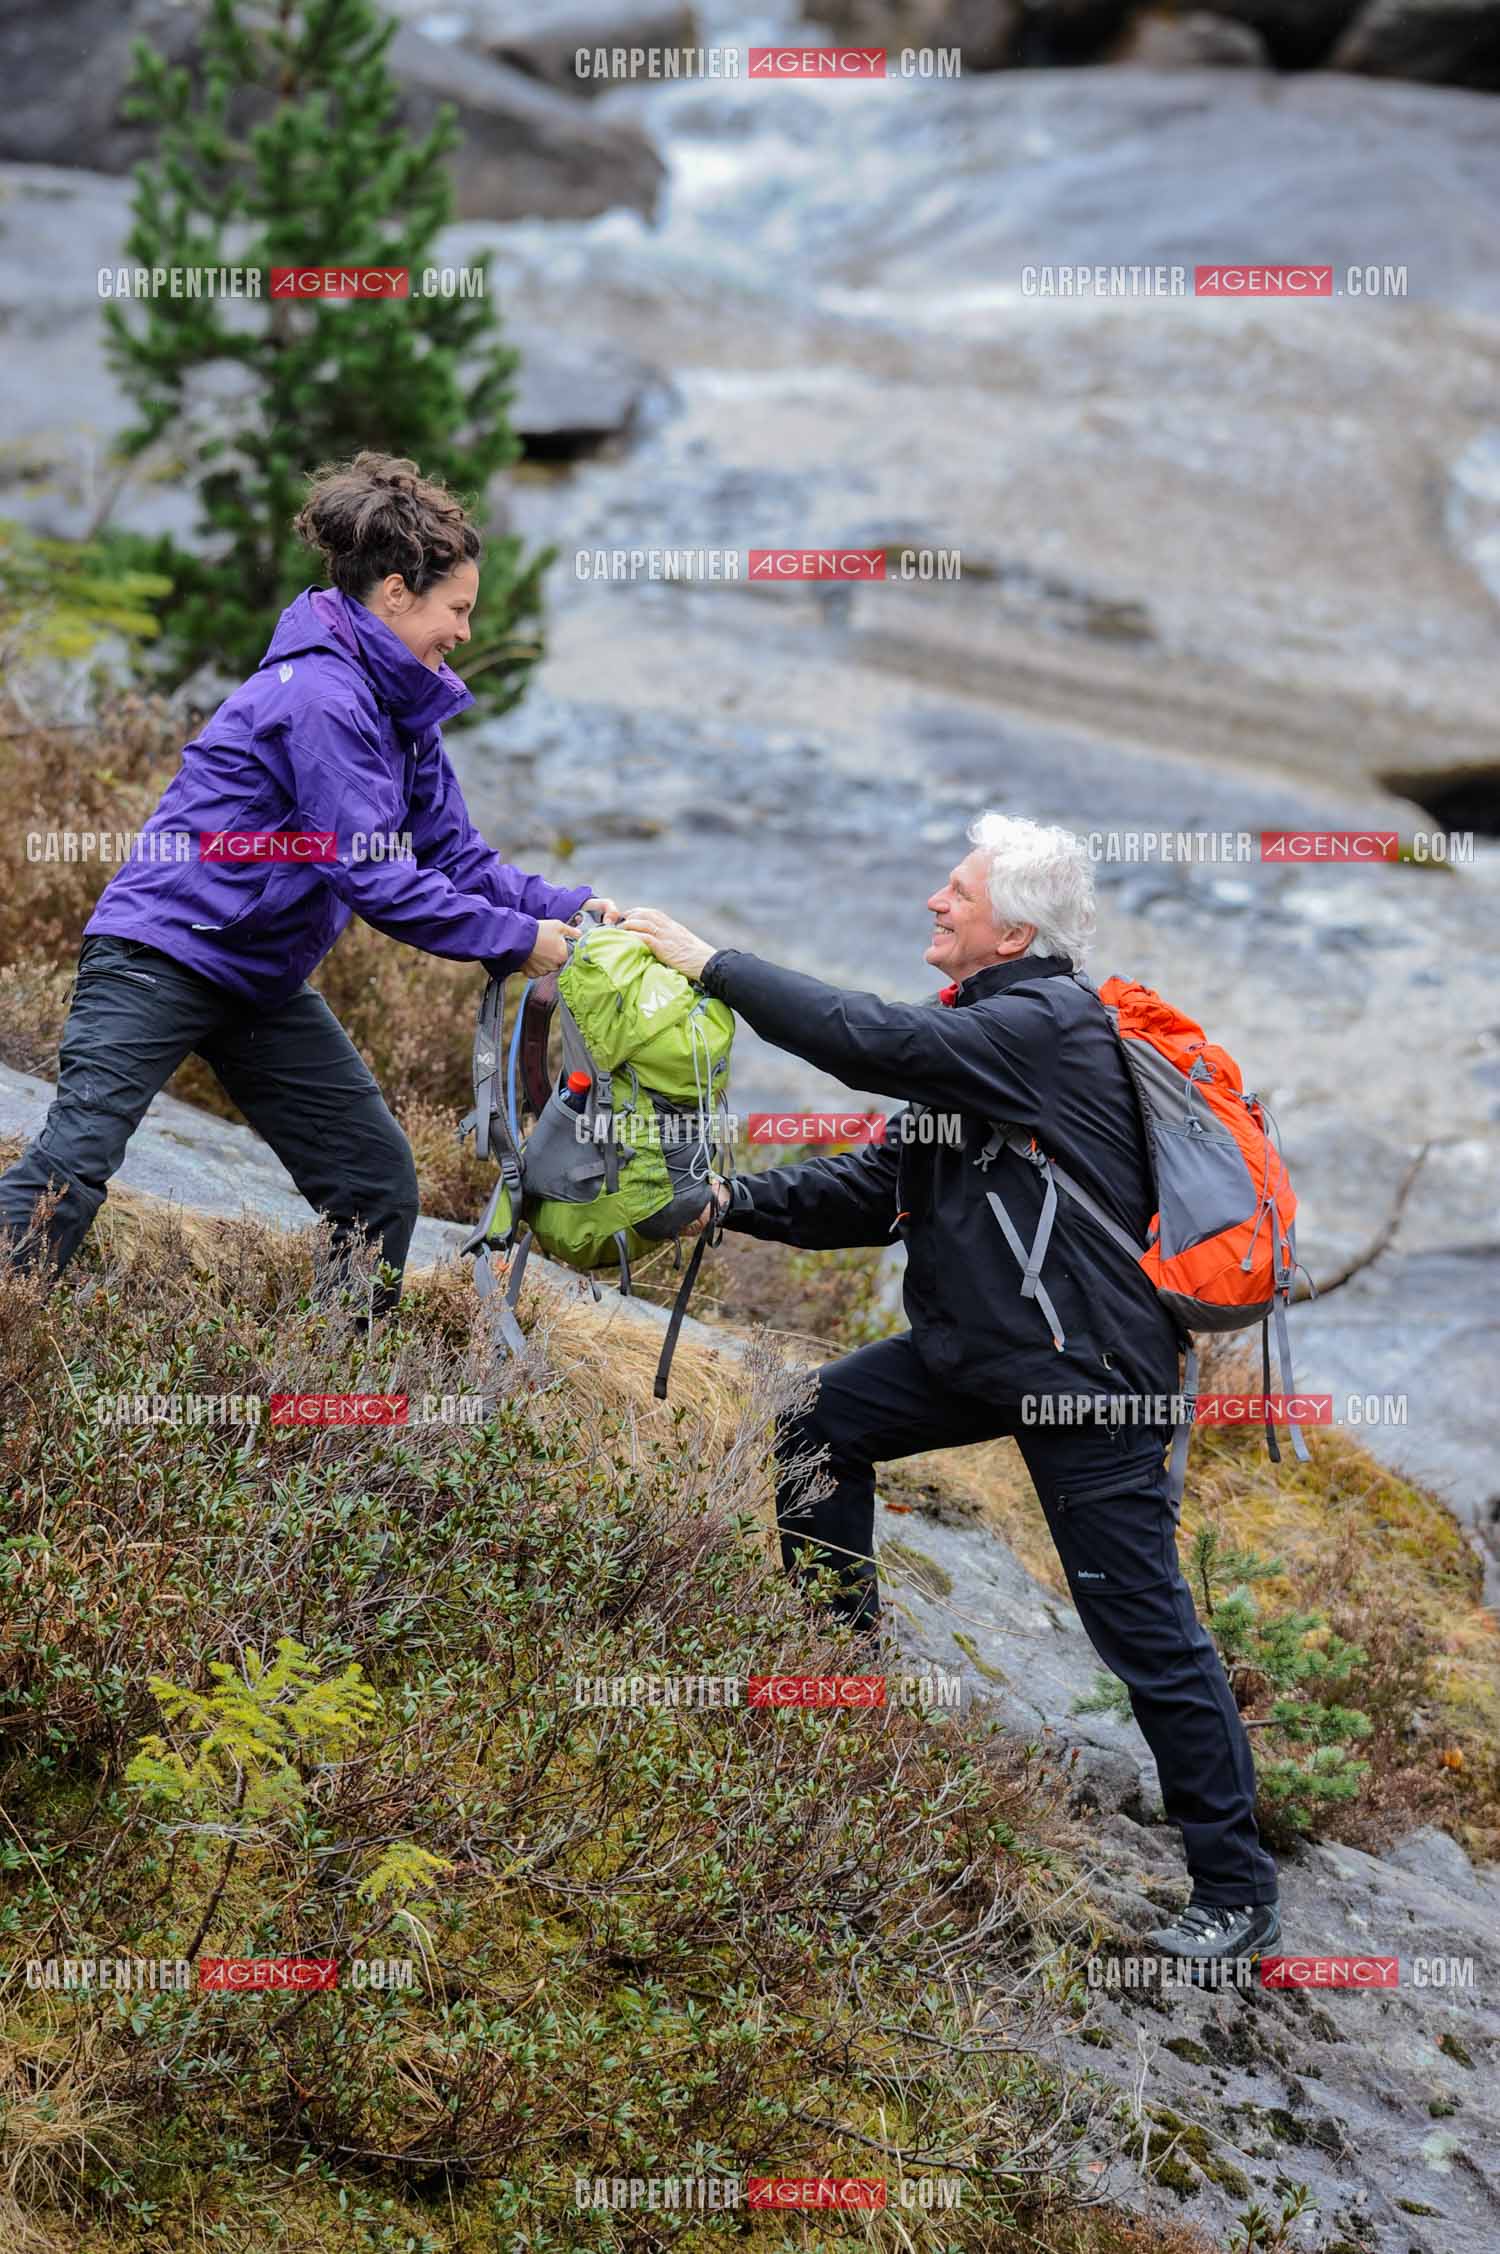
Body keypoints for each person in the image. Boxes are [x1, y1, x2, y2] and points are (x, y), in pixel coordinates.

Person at [621, 814, 1282, 1963]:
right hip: (980, 1353)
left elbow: (863, 1041)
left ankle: (1236, 1889)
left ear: (1014, 928)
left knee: (1141, 1628)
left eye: (957, 891)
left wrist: (711, 962)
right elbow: (884, 1186)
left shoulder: (1045, 1025)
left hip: (1090, 1377)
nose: (935, 901)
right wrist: (735, 1205)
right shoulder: (980, 1030)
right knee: (816, 1420)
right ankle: (848, 1702)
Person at [0, 451, 619, 1315]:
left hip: (257, 980)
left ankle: (333, 1383)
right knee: (71, 1170)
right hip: (159, 954)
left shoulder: (402, 711)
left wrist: (570, 910)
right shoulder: (322, 697)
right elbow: (375, 876)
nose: (465, 633)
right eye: (459, 609)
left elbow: (456, 856)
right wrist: (520, 943)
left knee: (373, 1185)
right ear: (397, 593)